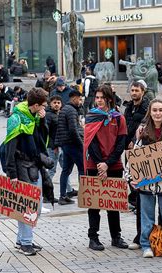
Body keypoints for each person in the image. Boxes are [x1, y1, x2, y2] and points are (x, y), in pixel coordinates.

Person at [125, 99, 162, 258]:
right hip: (146, 181)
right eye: (155, 110)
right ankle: (146, 244)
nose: (158, 113)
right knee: (146, 215)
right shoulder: (142, 130)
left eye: (161, 110)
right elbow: (135, 153)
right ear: (150, 112)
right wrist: (130, 176)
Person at [3, 88, 49, 256]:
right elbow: (10, 147)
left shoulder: (33, 117)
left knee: (35, 206)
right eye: (43, 105)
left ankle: (21, 240)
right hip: (21, 167)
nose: (46, 107)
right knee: (27, 206)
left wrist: (42, 122)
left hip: (34, 166)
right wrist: (12, 174)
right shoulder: (16, 119)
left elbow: (42, 140)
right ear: (35, 105)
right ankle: (26, 242)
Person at [84, 85, 128, 251]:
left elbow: (120, 143)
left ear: (109, 99)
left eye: (102, 97)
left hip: (114, 164)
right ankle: (93, 237)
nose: (99, 100)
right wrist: (100, 163)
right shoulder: (92, 116)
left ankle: (116, 236)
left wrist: (108, 163)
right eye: (97, 97)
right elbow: (90, 143)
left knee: (113, 203)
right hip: (94, 164)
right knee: (94, 203)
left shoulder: (119, 118)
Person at [122, 81, 150, 250]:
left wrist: (135, 141)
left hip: (141, 150)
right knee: (130, 179)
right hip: (128, 150)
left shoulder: (147, 106)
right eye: (132, 90)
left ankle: (146, 233)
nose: (133, 93)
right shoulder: (129, 107)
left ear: (142, 91)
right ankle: (134, 200)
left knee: (143, 190)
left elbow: (145, 126)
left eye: (136, 90)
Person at [55, 90, 84, 205]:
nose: (80, 101)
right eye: (79, 99)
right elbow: (73, 130)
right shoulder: (71, 111)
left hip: (66, 145)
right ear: (74, 98)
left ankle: (63, 196)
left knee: (66, 170)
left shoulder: (65, 109)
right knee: (82, 169)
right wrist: (81, 144)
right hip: (73, 144)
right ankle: (83, 195)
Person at [44, 95, 62, 204]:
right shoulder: (49, 116)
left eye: (58, 103)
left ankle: (68, 191)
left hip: (60, 146)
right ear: (50, 104)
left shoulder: (58, 114)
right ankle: (46, 194)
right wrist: (54, 146)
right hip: (53, 147)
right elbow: (48, 133)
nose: (56, 104)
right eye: (54, 102)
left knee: (66, 169)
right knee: (51, 170)